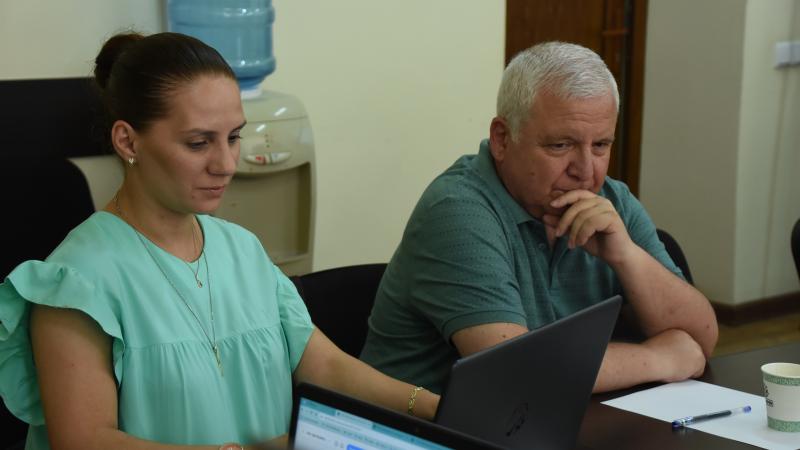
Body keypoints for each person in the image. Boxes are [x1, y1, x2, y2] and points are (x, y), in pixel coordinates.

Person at [0, 32, 437, 450]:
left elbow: (322, 365)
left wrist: (435, 408)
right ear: (128, 141)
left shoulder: (241, 249)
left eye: (233, 137)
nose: (226, 164)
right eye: (198, 143)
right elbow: (85, 441)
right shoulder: (76, 281)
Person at [360, 41, 718, 395]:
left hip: (557, 419)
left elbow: (700, 339)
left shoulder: (611, 200)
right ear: (502, 139)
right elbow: (516, 372)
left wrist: (625, 255)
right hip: (419, 425)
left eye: (600, 145)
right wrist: (656, 359)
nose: (586, 171)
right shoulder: (456, 210)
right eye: (560, 145)